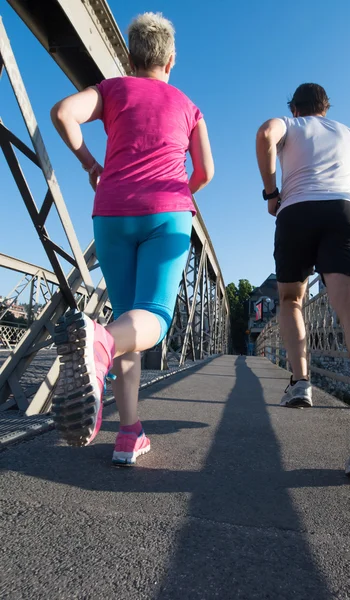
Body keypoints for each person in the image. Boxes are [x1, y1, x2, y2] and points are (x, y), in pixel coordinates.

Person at [50, 12, 214, 465]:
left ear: (129, 55)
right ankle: (98, 343)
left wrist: (89, 162)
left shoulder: (112, 89)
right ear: (171, 59)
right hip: (166, 213)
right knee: (153, 319)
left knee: (127, 322)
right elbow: (206, 172)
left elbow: (63, 114)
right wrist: (181, 189)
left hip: (111, 211)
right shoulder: (188, 106)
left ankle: (129, 433)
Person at [256, 83, 350, 479]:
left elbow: (266, 135)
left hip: (296, 211)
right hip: (342, 211)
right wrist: (340, 192)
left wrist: (271, 191)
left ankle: (301, 382)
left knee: (290, 300)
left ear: (295, 108)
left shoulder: (289, 124)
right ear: (326, 107)